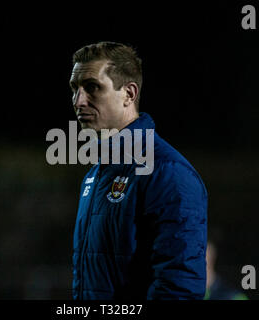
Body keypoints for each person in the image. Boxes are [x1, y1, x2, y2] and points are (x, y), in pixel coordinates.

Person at [70, 42, 208, 300]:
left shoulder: (167, 171)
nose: (79, 101)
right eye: (74, 89)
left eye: (91, 87)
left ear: (129, 94)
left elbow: (179, 289)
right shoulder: (95, 175)